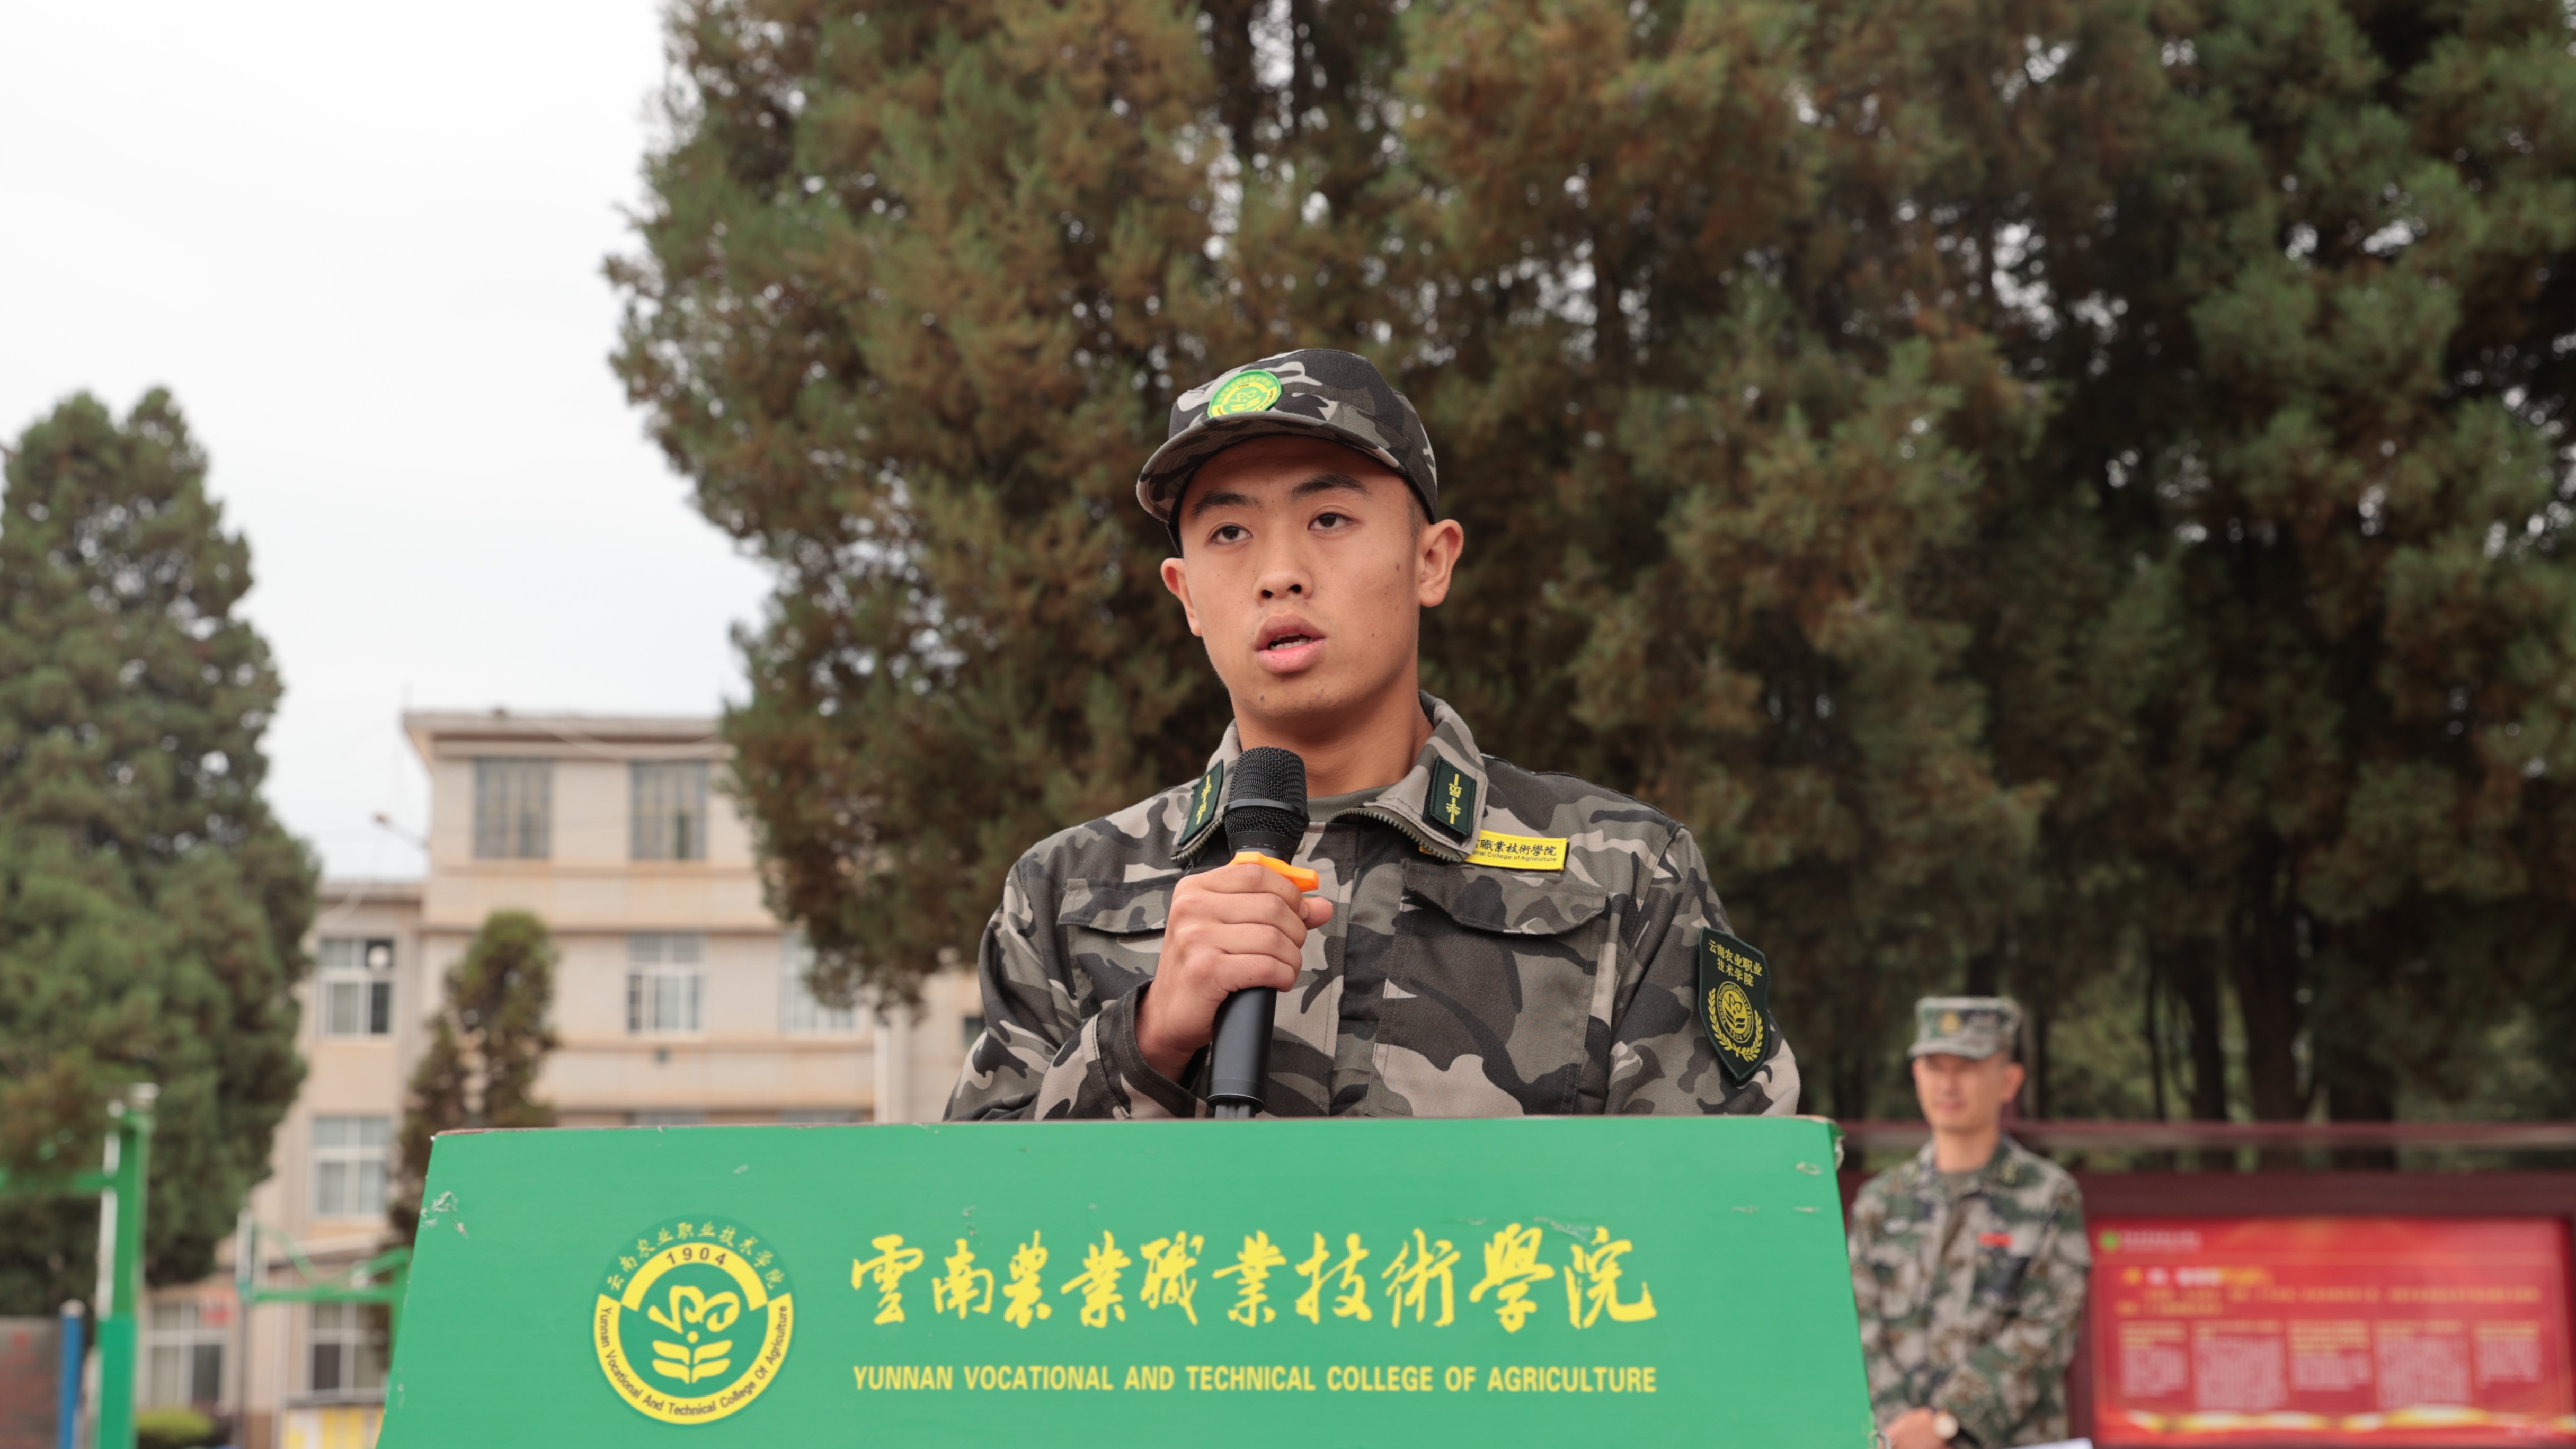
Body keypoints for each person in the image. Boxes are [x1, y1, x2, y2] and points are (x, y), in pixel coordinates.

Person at [944, 348, 1799, 1119]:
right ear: (1187, 595)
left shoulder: (1623, 873)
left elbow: (1723, 1207)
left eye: (1328, 519)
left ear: (1431, 559)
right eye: (1228, 532)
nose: (1279, 574)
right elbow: (972, 1220)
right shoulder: (1064, 894)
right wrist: (1147, 1039)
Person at [1847, 998, 2090, 1449]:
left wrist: (1948, 1422)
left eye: (1968, 1067)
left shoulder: (2048, 1194)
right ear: (1917, 1074)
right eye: (1935, 1066)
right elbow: (1856, 1325)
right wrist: (1902, 1428)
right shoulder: (1881, 1201)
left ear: (2009, 1080)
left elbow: (2047, 1328)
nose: (1948, 1084)